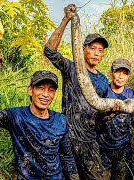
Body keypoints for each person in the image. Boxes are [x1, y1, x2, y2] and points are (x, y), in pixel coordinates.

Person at [0, 58, 79, 179]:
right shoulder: (17, 117)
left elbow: (66, 155)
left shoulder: (60, 120)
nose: (46, 94)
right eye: (41, 88)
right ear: (30, 90)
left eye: (51, 90)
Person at [43, 4, 109, 179]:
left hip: (89, 141)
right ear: (82, 49)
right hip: (66, 138)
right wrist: (66, 19)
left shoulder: (103, 80)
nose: (96, 53)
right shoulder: (70, 68)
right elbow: (49, 51)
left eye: (100, 50)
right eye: (92, 48)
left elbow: (103, 114)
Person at [96, 58, 134, 180]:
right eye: (118, 72)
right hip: (102, 148)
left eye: (125, 73)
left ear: (128, 76)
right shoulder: (102, 92)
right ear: (111, 73)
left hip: (123, 148)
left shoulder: (131, 94)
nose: (121, 76)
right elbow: (94, 118)